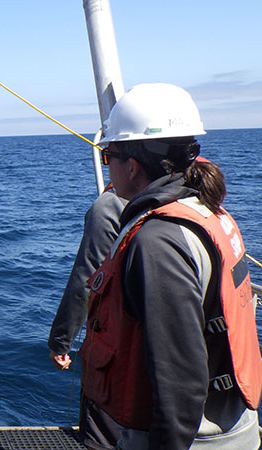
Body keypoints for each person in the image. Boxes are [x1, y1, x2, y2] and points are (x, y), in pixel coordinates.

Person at [80, 83, 261, 449]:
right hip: (235, 424)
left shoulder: (157, 242)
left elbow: (180, 381)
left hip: (194, 439)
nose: (107, 165)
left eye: (107, 155)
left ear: (131, 166)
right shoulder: (208, 212)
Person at [48, 186, 125, 450]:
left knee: (102, 438)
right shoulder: (199, 202)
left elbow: (87, 279)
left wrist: (60, 341)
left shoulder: (111, 206)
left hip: (120, 352)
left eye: (109, 156)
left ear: (132, 165)